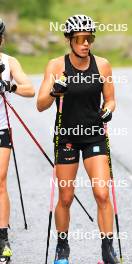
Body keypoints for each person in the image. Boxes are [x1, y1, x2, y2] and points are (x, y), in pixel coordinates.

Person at [37, 14, 118, 264]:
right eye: (81, 39)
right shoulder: (55, 66)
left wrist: (109, 109)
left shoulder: (102, 65)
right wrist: (54, 91)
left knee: (102, 194)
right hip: (67, 137)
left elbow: (111, 98)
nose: (86, 44)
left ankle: (107, 251)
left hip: (94, 134)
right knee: (65, 197)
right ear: (69, 40)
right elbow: (40, 104)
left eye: (90, 38)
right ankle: (63, 247)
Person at [0, 19, 35, 261]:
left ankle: (2, 239)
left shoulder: (9, 61)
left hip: (1, 129)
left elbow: (30, 89)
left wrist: (7, 86)